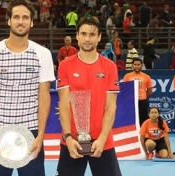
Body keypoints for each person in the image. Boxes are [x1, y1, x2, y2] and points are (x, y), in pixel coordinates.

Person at [0, 0, 55, 175]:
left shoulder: (43, 54)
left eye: (25, 17)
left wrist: (40, 135)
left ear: (32, 22)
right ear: (8, 20)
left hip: (31, 133)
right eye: (17, 17)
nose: (21, 21)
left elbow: (44, 96)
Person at [56, 17, 121, 176]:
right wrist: (68, 137)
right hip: (72, 142)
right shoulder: (65, 65)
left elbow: (110, 106)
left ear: (99, 37)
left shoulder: (110, 67)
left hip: (103, 142)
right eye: (83, 34)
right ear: (76, 36)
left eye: (92, 34)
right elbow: (64, 104)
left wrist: (102, 138)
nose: (87, 39)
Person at [123, 58, 152, 126]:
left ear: (142, 65)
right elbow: (125, 90)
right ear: (132, 65)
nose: (137, 66)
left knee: (143, 122)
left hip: (142, 102)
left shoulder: (146, 77)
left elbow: (149, 91)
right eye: (135, 64)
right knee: (131, 121)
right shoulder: (127, 76)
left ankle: (142, 136)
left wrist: (141, 96)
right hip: (131, 102)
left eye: (138, 64)